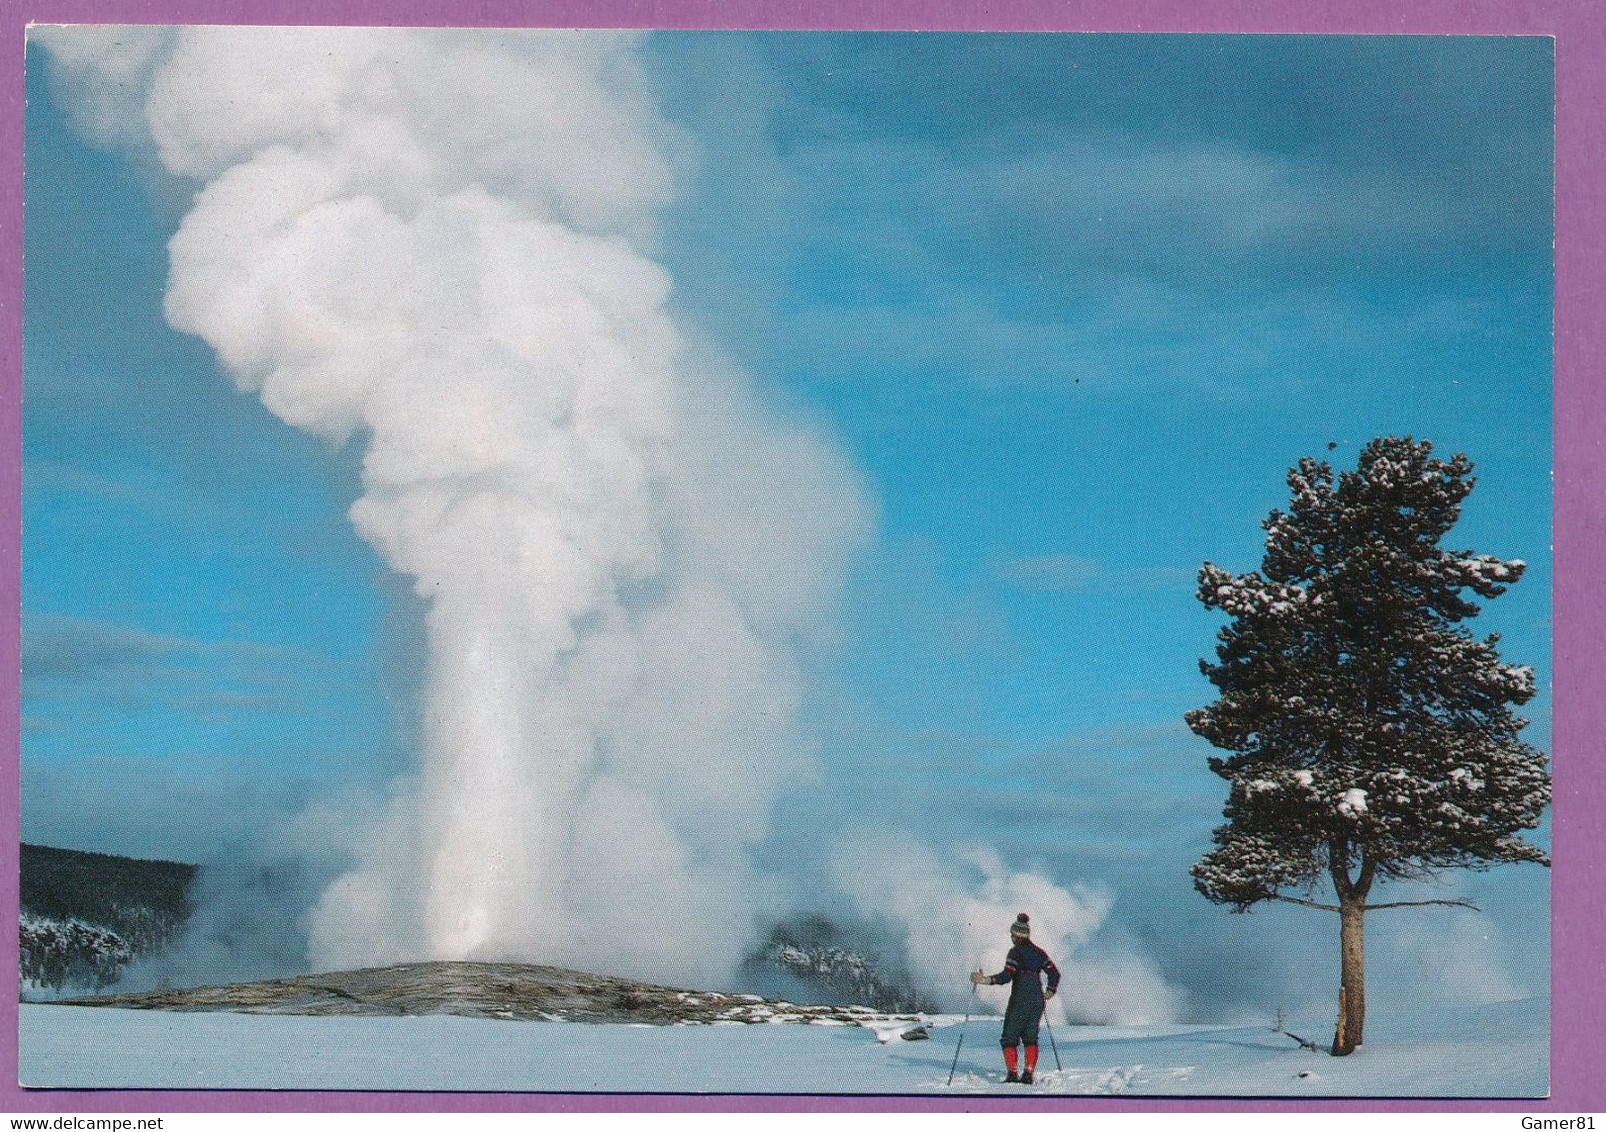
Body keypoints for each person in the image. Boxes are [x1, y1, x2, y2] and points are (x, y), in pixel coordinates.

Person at [971, 912, 1060, 1084]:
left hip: (1020, 998)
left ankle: (1012, 1073)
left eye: (1012, 934)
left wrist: (984, 980)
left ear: (1018, 935)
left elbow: (1006, 976)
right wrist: (1049, 992)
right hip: (1037, 1000)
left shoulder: (1015, 952)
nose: (1011, 937)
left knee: (1009, 1037)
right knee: (1031, 1037)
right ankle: (1028, 1074)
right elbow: (1054, 973)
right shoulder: (1040, 953)